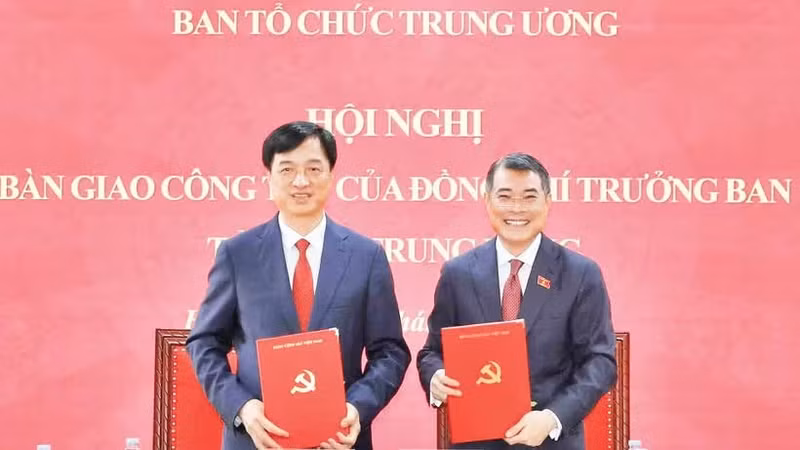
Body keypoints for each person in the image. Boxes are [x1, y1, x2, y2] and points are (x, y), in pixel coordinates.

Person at [187, 121, 411, 450]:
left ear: (331, 176)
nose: (301, 181)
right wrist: (242, 407)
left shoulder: (366, 257)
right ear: (269, 179)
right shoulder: (238, 254)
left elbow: (390, 352)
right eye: (287, 169)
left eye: (313, 169)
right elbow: (204, 342)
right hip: (257, 439)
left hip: (339, 439)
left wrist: (357, 408)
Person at [416, 153, 617, 449]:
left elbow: (600, 362)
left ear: (547, 202)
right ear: (487, 201)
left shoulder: (580, 274)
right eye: (505, 196)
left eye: (529, 197)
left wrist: (552, 418)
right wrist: (436, 376)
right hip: (476, 442)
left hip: (552, 440)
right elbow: (432, 352)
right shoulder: (458, 274)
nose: (517, 208)